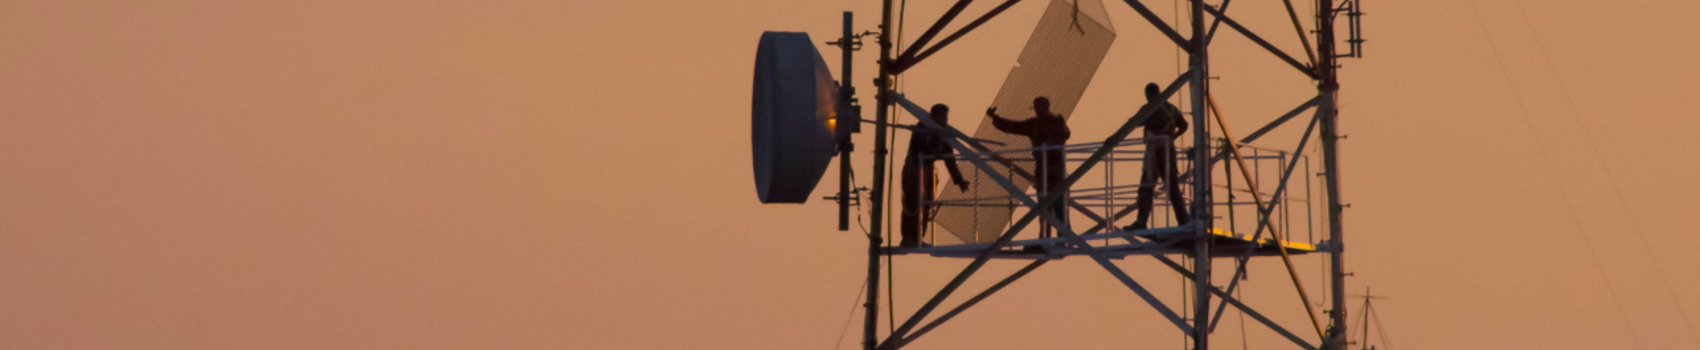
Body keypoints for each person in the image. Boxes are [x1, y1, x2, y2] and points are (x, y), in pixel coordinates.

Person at [986, 96, 1071, 238]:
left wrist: (995, 118)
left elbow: (1066, 134)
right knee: (1046, 209)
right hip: (1046, 170)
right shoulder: (1036, 124)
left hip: (1055, 171)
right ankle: (1048, 239)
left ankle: (1059, 238)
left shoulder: (1054, 122)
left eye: (1040, 106)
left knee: (1057, 208)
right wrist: (995, 118)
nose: (1039, 110)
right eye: (1037, 107)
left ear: (1046, 106)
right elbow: (1013, 126)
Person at [900, 104, 971, 248]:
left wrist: (959, 180)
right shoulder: (922, 128)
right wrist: (937, 149)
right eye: (942, 116)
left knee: (927, 203)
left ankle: (919, 238)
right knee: (912, 204)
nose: (945, 119)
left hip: (927, 170)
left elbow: (949, 158)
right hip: (914, 169)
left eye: (946, 116)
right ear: (934, 116)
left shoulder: (942, 132)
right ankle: (908, 238)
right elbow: (919, 150)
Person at [1124, 83, 1190, 231]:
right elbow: (1184, 125)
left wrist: (1128, 123)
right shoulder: (1170, 107)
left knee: (1146, 187)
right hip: (1169, 150)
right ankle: (1183, 219)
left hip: (1155, 151)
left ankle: (1141, 221)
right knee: (1172, 187)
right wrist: (1173, 137)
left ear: (1148, 94)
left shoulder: (1151, 107)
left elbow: (1136, 121)